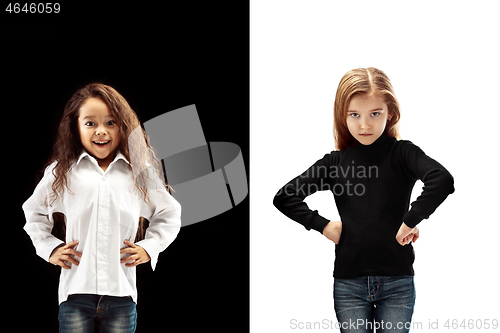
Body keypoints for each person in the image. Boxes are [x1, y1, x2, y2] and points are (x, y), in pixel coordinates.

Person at [273, 68, 454, 333]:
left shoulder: (402, 154)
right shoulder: (335, 164)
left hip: (397, 282)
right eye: (354, 115)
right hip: (349, 285)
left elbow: (442, 179)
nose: (365, 125)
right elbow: (284, 196)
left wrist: (410, 220)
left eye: (375, 114)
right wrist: (322, 225)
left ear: (390, 112)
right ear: (342, 115)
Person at [22, 83, 182, 333]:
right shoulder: (62, 173)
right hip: (75, 294)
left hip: (121, 294)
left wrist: (149, 248)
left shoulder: (139, 173)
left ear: (123, 127)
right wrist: (50, 249)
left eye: (110, 122)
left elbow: (169, 213)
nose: (101, 132)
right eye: (90, 123)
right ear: (76, 127)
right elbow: (33, 212)